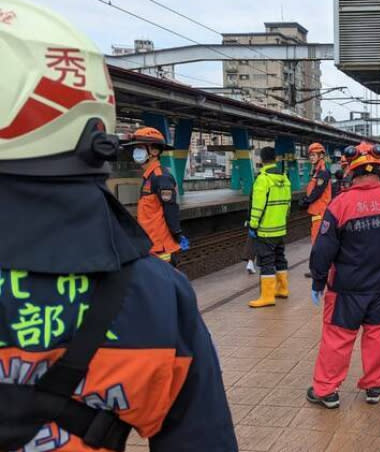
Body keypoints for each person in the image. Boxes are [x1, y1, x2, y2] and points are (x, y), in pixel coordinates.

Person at [0, 2, 238, 450]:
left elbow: (166, 214)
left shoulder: (162, 180)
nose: (137, 153)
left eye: (142, 148)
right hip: (137, 258)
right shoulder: (158, 296)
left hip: (156, 246)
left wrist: (171, 240)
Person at [306, 141, 380, 409]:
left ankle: (327, 391)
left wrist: (318, 280)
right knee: (377, 337)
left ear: (351, 170)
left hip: (347, 288)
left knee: (338, 339)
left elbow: (323, 250)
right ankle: (374, 386)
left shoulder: (340, 205)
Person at [126, 127, 189, 265]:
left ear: (154, 151)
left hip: (161, 248)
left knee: (164, 284)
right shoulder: (149, 177)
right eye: (136, 148)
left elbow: (170, 209)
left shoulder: (161, 177)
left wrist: (177, 233)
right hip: (151, 245)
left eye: (140, 147)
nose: (136, 151)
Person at [247, 146, 292, 308]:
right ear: (276, 159)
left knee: (266, 261)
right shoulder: (285, 178)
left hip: (265, 231)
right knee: (280, 258)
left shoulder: (263, 179)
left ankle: (267, 296)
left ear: (261, 160)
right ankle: (283, 289)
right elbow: (288, 205)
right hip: (280, 228)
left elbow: (257, 207)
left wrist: (253, 225)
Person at [300, 142, 332, 244]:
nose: (311, 158)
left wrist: (306, 201)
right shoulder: (317, 172)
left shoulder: (323, 172)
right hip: (318, 213)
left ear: (321, 155)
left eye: (313, 155)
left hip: (320, 213)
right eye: (310, 155)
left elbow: (318, 191)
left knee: (318, 243)